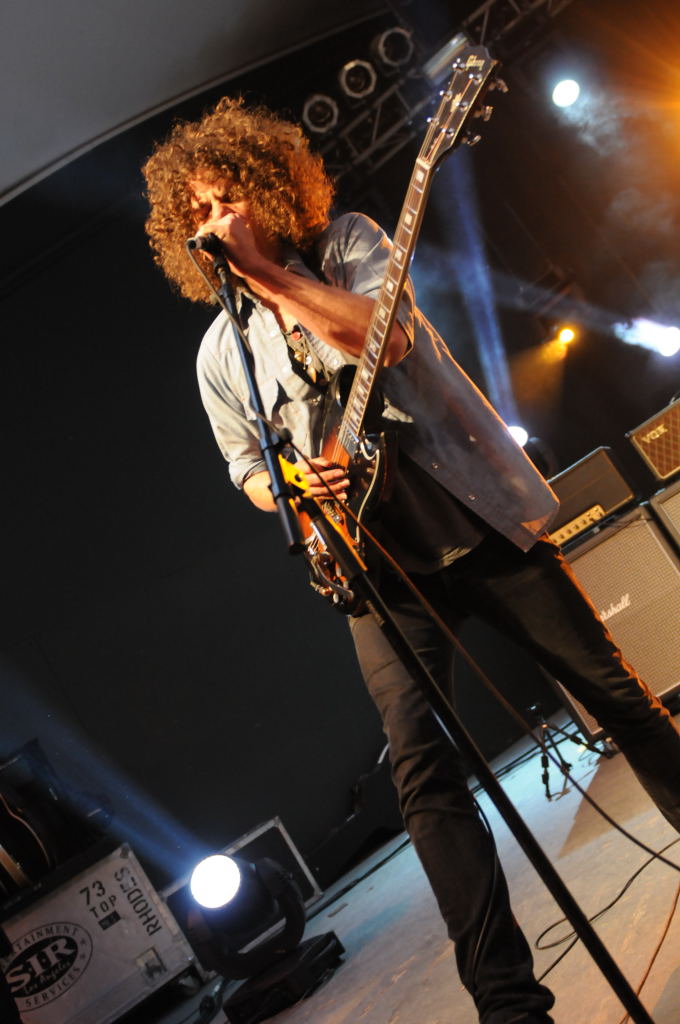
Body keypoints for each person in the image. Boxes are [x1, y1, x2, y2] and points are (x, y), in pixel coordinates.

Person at [143, 97, 680, 1024]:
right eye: (197, 214)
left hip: (473, 523)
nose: (216, 223)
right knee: (425, 780)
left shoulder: (348, 243)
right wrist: (290, 485)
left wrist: (267, 274)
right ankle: (507, 1005)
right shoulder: (219, 353)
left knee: (616, 692)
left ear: (268, 189)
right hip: (374, 570)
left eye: (227, 198)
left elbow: (380, 338)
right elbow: (246, 469)